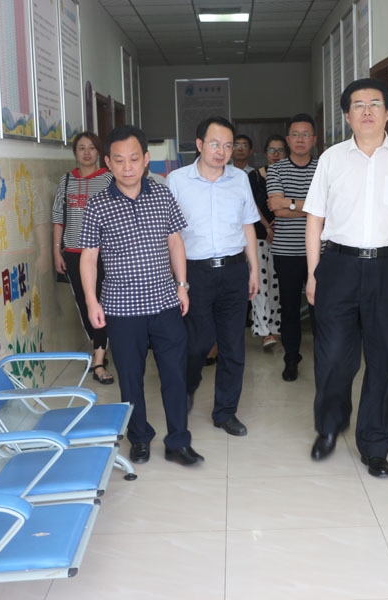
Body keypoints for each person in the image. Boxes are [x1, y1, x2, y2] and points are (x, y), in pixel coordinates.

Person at [303, 79, 388, 478]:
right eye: (358, 105)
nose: (366, 111)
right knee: (334, 357)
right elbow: (314, 219)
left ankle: (376, 445)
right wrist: (313, 273)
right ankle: (329, 427)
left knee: (383, 359)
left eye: (375, 104)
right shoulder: (331, 159)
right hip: (338, 266)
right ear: (347, 116)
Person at [78, 125, 203, 467]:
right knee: (131, 379)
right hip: (121, 309)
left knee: (175, 375)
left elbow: (175, 242)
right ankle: (140, 438)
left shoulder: (162, 195)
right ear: (108, 162)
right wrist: (91, 301)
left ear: (146, 159)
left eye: (134, 158)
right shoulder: (98, 204)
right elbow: (88, 256)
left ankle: (178, 441)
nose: (127, 166)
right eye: (119, 160)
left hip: (164, 303)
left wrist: (182, 285)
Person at [167, 116, 259, 437]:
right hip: (195, 272)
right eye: (215, 144)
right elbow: (170, 234)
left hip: (234, 270)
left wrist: (254, 269)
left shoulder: (240, 179)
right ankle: (185, 391)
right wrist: (177, 280)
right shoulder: (177, 180)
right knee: (197, 344)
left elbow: (248, 225)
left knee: (233, 346)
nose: (222, 151)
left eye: (228, 146)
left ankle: (225, 412)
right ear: (199, 144)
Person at [51, 131, 114, 384]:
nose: (87, 153)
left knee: (102, 302)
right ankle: (99, 345)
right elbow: (58, 218)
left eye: (91, 148)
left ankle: (98, 358)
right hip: (74, 253)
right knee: (84, 303)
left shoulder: (109, 179)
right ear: (75, 153)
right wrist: (56, 250)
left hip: (104, 254)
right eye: (81, 148)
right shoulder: (67, 181)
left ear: (99, 152)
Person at [266, 114, 319, 381]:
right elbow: (275, 207)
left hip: (319, 253)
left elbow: (330, 209)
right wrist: (312, 208)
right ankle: (291, 358)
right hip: (286, 253)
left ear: (314, 140)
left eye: (305, 134)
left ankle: (323, 358)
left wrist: (290, 203)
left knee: (320, 309)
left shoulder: (323, 168)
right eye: (295, 134)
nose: (300, 139)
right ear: (288, 139)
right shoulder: (276, 170)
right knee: (289, 309)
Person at [248, 135, 287, 349]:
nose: (275, 154)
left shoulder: (288, 174)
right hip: (260, 235)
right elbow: (252, 205)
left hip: (284, 235)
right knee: (261, 284)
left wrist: (277, 224)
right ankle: (263, 330)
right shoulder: (254, 176)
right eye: (272, 150)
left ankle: (276, 327)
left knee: (278, 284)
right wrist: (267, 226)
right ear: (265, 153)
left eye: (280, 150)